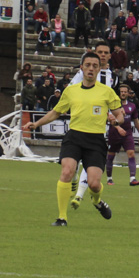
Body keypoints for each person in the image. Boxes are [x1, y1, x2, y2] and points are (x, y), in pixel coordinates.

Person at [23, 52, 124, 226]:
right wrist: (36, 123)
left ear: (99, 69)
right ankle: (62, 218)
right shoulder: (71, 91)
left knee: (94, 184)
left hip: (96, 140)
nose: (91, 68)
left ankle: (96, 201)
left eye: (95, 65)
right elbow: (56, 112)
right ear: (82, 68)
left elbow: (120, 115)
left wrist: (116, 121)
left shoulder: (106, 92)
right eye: (88, 65)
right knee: (67, 171)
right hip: (74, 136)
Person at [69, 42, 116, 207]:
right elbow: (70, 91)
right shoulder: (83, 73)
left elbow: (112, 101)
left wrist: (112, 115)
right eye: (100, 52)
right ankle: (75, 179)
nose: (103, 55)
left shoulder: (112, 76)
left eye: (106, 52)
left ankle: (79, 195)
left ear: (110, 56)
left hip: (98, 128)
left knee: (90, 162)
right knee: (73, 162)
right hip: (79, 123)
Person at [105, 84, 139, 186]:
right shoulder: (113, 105)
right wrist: (118, 128)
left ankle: (132, 178)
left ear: (128, 93)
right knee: (110, 156)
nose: (123, 93)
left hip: (127, 133)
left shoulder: (132, 106)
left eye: (125, 92)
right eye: (121, 91)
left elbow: (136, 121)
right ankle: (109, 179)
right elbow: (110, 119)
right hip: (114, 133)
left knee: (131, 154)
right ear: (119, 93)